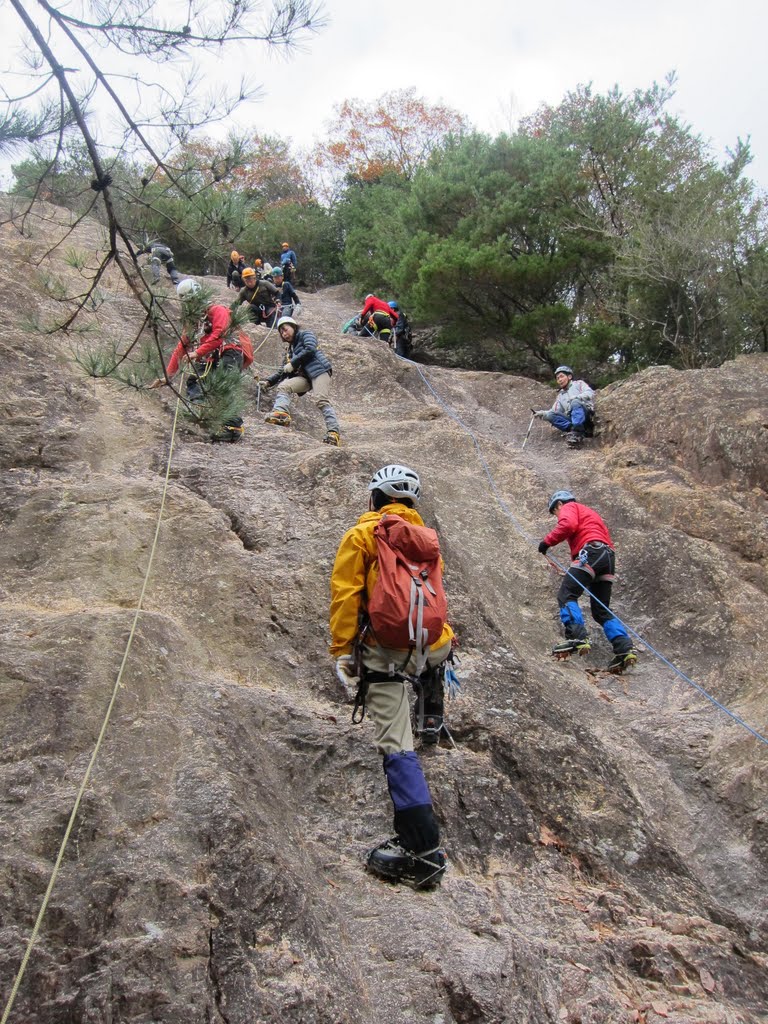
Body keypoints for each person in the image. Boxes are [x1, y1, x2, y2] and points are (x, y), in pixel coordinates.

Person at [330, 465, 453, 887]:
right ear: (411, 503)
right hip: (432, 646)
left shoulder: (361, 536)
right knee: (437, 654)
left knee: (396, 746)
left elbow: (346, 597)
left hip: (386, 652)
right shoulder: (427, 539)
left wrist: (343, 651)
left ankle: (422, 850)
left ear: (373, 499)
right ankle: (433, 713)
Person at [538, 490, 637, 673]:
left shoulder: (569, 507)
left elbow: (568, 525)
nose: (557, 516)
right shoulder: (589, 513)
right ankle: (624, 648)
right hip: (606, 558)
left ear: (558, 504)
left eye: (555, 513)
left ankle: (577, 636)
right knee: (601, 611)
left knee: (567, 594)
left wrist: (546, 543)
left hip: (591, 552)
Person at [148, 280, 247, 443]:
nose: (190, 306)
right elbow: (181, 346)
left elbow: (219, 335)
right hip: (208, 356)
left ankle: (232, 427)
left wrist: (197, 352)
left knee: (225, 383)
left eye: (191, 301)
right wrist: (168, 376)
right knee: (194, 381)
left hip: (229, 351)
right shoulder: (194, 321)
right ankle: (201, 412)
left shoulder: (218, 310)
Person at [262, 316, 341, 446]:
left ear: (293, 327)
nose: (284, 333)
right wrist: (268, 382)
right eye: (281, 332)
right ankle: (281, 413)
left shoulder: (306, 334)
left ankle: (333, 432)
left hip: (319, 370)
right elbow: (283, 371)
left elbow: (310, 348)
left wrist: (293, 363)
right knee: (284, 386)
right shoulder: (290, 351)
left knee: (321, 400)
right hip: (305, 377)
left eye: (285, 329)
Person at [534, 366, 595, 448]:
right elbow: (554, 411)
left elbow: (589, 392)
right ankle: (575, 431)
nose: (559, 380)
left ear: (569, 376)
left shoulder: (579, 384)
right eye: (557, 378)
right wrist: (542, 414)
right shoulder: (560, 396)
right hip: (572, 419)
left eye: (562, 376)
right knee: (550, 415)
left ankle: (577, 432)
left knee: (575, 402)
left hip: (585, 415)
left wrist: (577, 397)